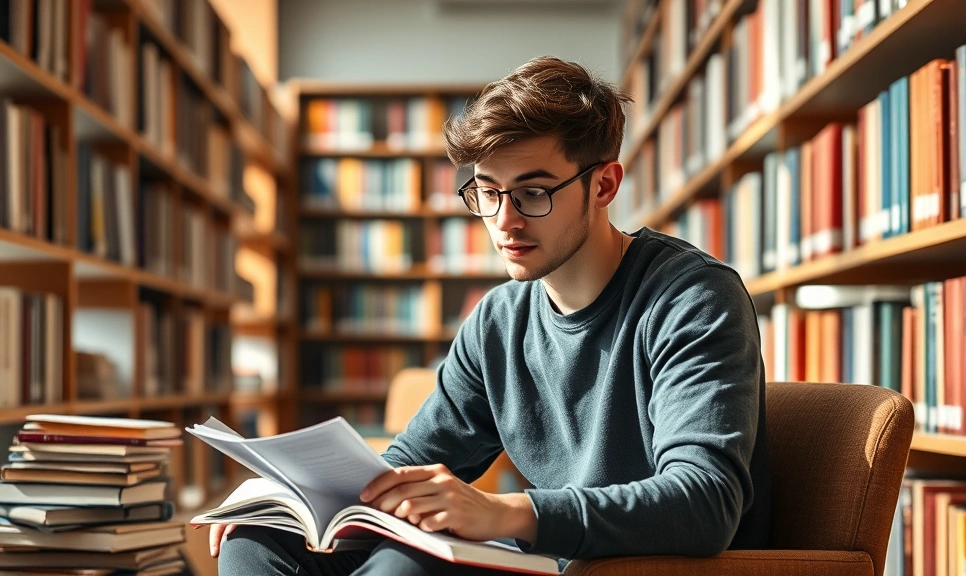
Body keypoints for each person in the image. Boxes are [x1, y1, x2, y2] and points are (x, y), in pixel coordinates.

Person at [213, 55, 770, 575]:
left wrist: (507, 513)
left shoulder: (692, 298)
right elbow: (411, 463)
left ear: (603, 184)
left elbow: (705, 500)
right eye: (486, 192)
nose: (504, 221)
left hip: (643, 566)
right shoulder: (499, 321)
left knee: (404, 566)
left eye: (532, 193)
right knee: (255, 541)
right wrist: (285, 500)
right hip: (552, 554)